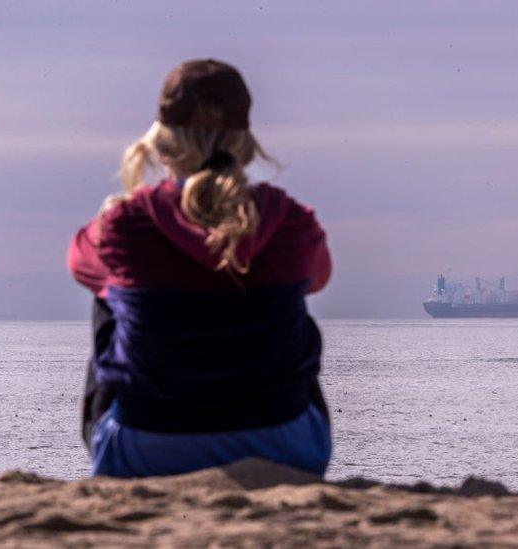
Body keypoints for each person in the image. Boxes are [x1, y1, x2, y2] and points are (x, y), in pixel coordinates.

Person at [67, 59, 332, 478]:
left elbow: (81, 267)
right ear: (245, 142)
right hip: (286, 446)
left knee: (108, 294)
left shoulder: (124, 223)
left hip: (144, 448)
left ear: (163, 141)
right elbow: (319, 277)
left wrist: (114, 222)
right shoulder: (291, 221)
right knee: (291, 302)